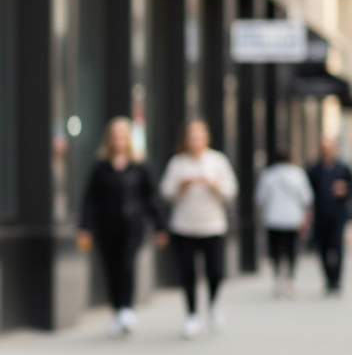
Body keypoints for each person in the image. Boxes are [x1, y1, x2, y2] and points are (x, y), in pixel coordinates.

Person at [76, 117, 167, 336]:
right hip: (106, 227)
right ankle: (117, 310)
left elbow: (151, 198)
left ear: (128, 139)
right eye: (114, 136)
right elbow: (90, 200)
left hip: (133, 227)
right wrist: (85, 227)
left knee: (126, 265)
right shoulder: (100, 167)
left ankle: (127, 309)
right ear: (109, 139)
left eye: (122, 136)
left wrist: (160, 226)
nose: (118, 140)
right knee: (111, 268)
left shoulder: (140, 165)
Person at [159, 119, 238, 338]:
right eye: (190, 136)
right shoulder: (177, 163)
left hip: (212, 226)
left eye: (198, 135)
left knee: (215, 271)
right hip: (183, 227)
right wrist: (181, 186)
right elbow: (166, 192)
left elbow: (231, 190)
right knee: (187, 273)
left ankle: (213, 306)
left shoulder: (217, 161)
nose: (194, 140)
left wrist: (214, 185)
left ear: (206, 138)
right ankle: (191, 314)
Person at [255, 148, 313, 297]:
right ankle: (291, 278)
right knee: (292, 249)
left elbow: (260, 199)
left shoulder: (268, 175)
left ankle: (277, 277)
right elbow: (306, 198)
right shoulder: (298, 174)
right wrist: (305, 217)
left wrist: (262, 216)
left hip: (273, 218)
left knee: (275, 250)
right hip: (293, 218)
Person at [306, 137, 352, 295]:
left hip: (338, 214)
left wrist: (344, 190)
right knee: (323, 248)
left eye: (329, 147)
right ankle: (328, 279)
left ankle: (336, 281)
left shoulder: (342, 168)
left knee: (337, 247)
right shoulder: (314, 169)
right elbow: (308, 192)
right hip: (320, 214)